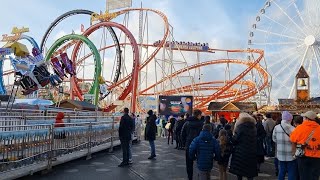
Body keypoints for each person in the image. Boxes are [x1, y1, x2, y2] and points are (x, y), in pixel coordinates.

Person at [290, 111, 320, 180]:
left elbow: (293, 140)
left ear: (306, 118)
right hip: (317, 157)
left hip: (303, 156)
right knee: (314, 176)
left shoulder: (299, 128)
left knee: (303, 176)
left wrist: (293, 154)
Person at [229, 113, 258, 180]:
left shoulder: (240, 127)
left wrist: (231, 136)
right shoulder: (253, 127)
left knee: (240, 172)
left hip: (240, 152)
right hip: (251, 152)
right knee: (250, 172)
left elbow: (235, 140)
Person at [272, 111, 297, 180]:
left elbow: (274, 139)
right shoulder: (293, 129)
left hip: (280, 153)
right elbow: (296, 141)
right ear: (289, 119)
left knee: (282, 170)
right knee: (291, 171)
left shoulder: (276, 128)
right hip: (291, 154)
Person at [181, 109, 204, 180]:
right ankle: (200, 177)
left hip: (189, 145)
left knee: (189, 163)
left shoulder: (187, 123)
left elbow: (182, 134)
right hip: (199, 145)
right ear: (198, 115)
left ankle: (190, 177)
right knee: (200, 162)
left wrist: (185, 143)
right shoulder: (201, 124)